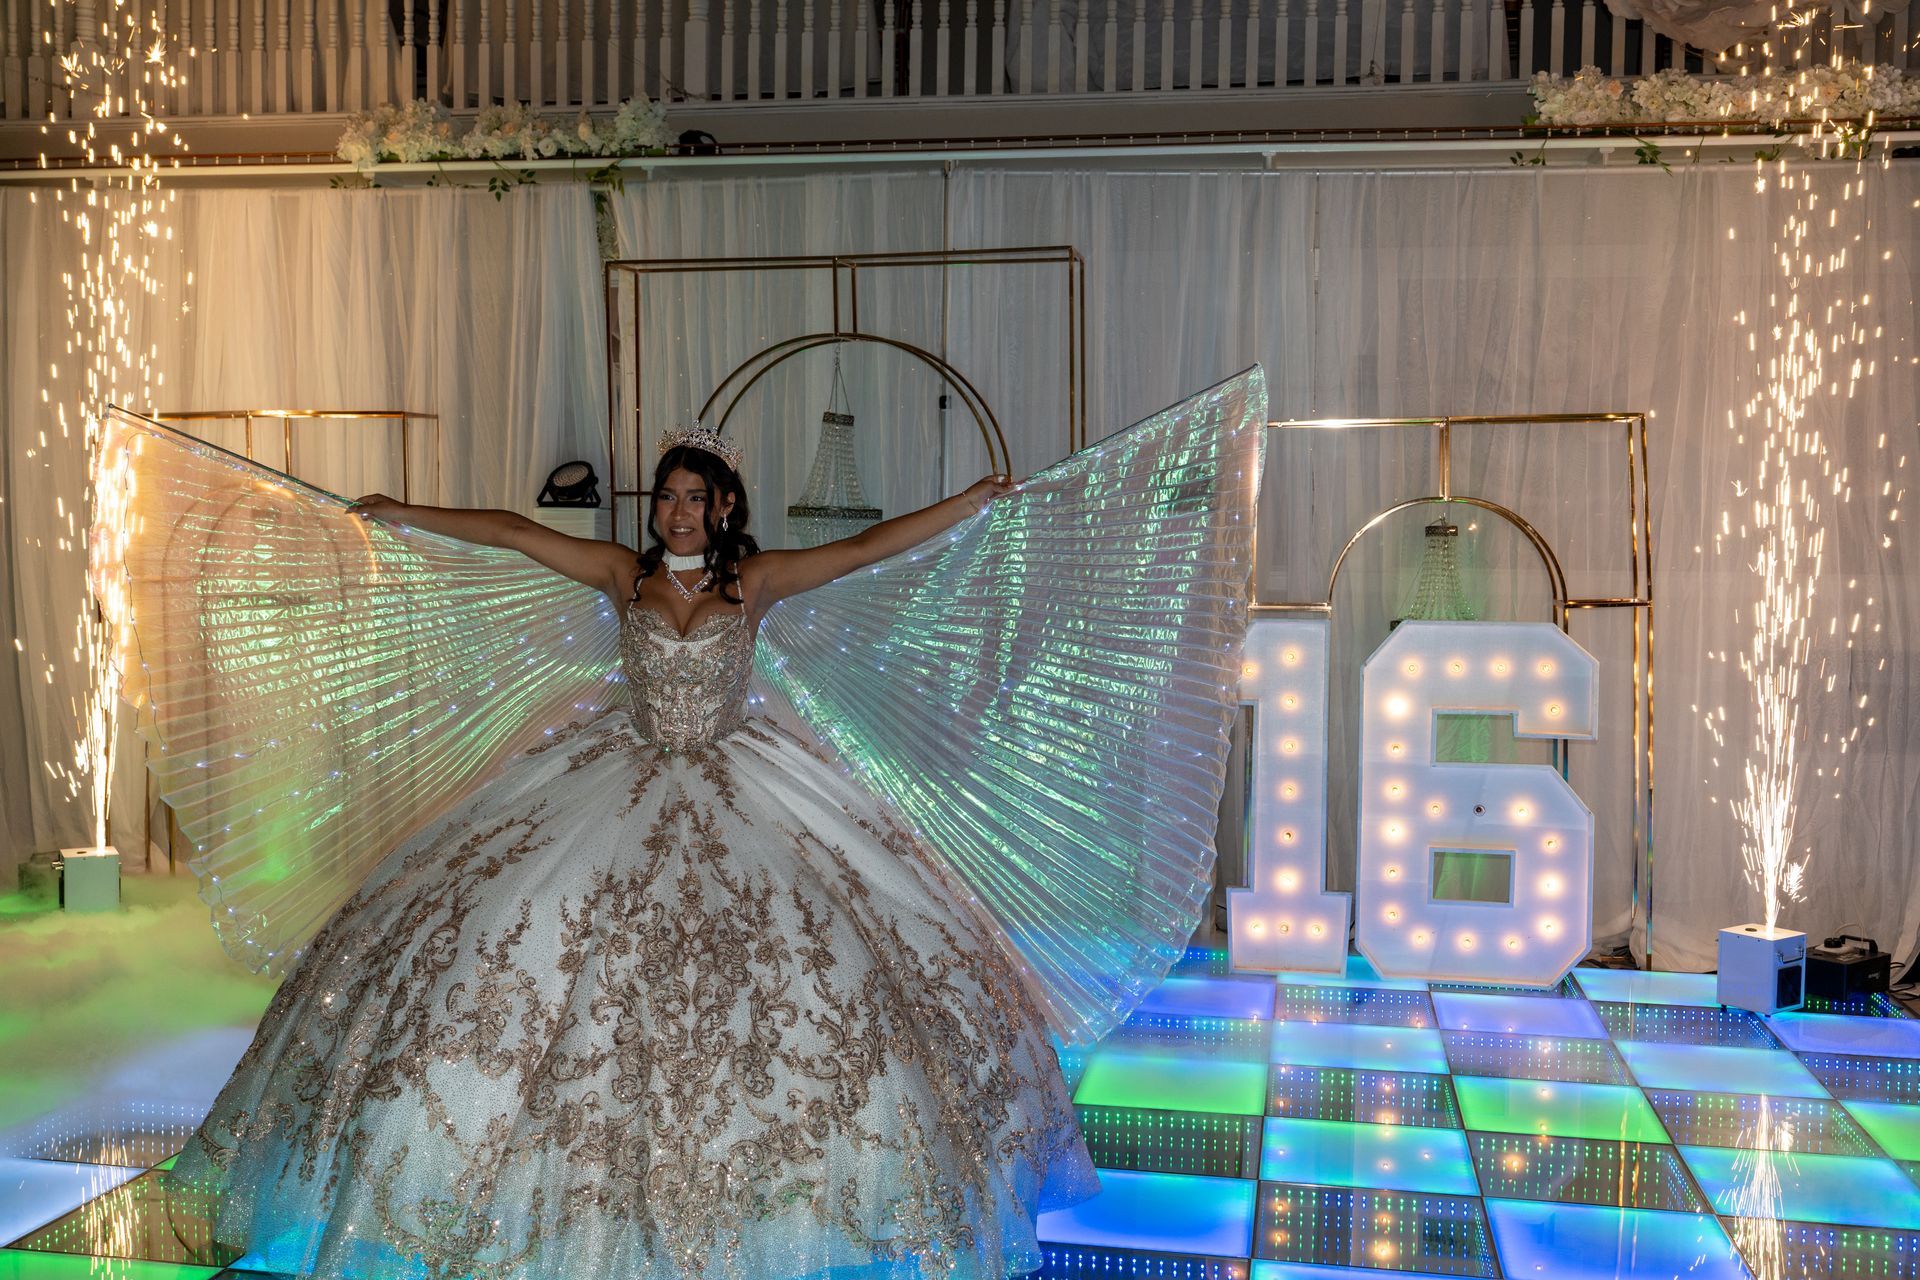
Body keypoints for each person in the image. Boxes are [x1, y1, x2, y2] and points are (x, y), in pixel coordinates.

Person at [116, 369, 1266, 1280]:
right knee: (518, 937)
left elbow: (865, 550)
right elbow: (516, 535)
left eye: (692, 495)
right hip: (608, 783)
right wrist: (400, 508)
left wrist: (968, 504)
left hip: (741, 780)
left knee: (812, 964)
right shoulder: (621, 575)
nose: (675, 508)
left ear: (723, 507)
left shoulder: (749, 584)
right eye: (664, 492)